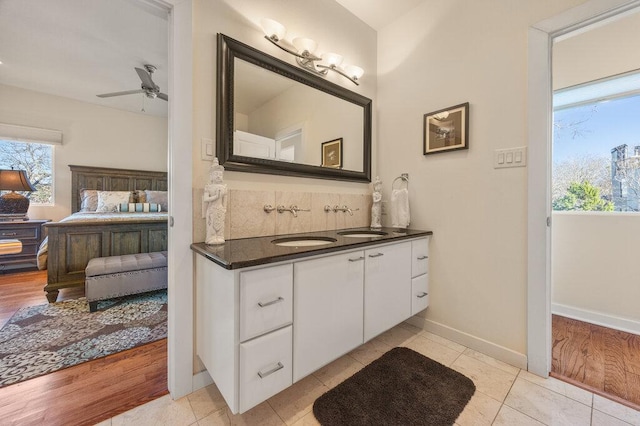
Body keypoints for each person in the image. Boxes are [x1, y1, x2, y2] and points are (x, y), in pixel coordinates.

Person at [203, 158, 228, 244]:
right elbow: (206, 199)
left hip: (220, 209)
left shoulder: (224, 187)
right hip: (212, 209)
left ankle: (220, 236)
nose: (218, 176)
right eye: (216, 174)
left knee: (221, 226)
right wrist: (215, 196)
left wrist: (224, 209)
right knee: (212, 227)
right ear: (211, 176)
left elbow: (225, 200)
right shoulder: (208, 187)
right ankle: (211, 237)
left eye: (220, 174)